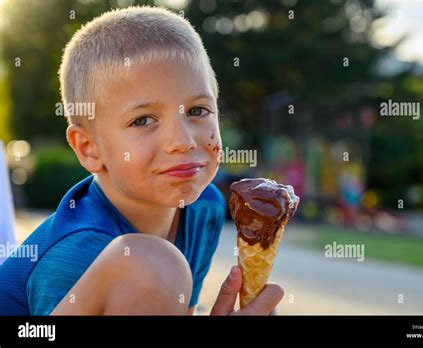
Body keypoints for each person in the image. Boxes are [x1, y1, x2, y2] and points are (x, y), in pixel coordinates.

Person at [0, 6, 283, 315]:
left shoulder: (205, 209)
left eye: (198, 111)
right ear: (89, 148)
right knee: (151, 264)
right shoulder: (78, 252)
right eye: (143, 120)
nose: (183, 142)